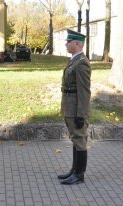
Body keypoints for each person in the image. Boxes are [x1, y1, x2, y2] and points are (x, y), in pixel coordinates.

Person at [58, 29, 91, 185]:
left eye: (69, 41)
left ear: (77, 43)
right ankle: (73, 170)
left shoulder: (82, 63)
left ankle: (79, 174)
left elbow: (84, 92)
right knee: (75, 138)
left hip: (76, 108)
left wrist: (81, 114)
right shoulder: (74, 60)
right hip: (69, 106)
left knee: (79, 139)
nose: (66, 44)